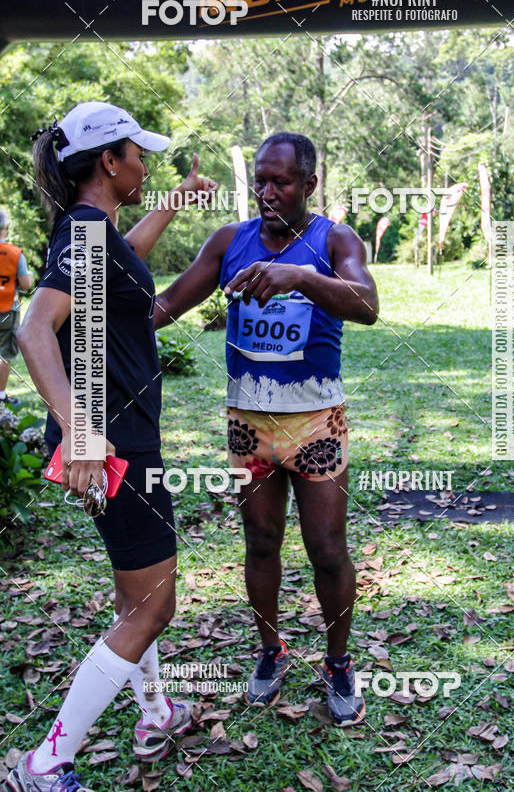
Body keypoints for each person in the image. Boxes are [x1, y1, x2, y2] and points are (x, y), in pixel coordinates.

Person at [8, 101, 217, 792]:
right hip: (113, 445)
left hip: (116, 441)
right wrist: (80, 430)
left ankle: (155, 713)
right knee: (153, 606)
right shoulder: (86, 234)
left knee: (137, 594)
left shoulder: (93, 231)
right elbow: (33, 329)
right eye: (138, 155)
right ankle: (46, 764)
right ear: (109, 160)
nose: (144, 167)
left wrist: (175, 202)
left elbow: (127, 265)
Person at [154, 131, 379, 727]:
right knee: (260, 542)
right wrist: (91, 319)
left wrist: (298, 277)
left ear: (309, 184)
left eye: (281, 181)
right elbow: (167, 303)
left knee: (327, 549)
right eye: (261, 181)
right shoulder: (230, 241)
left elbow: (367, 303)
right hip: (248, 425)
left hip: (316, 422)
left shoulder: (335, 239)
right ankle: (271, 651)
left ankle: (338, 663)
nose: (268, 192)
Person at [0, 210, 33, 403]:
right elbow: (27, 284)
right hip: (8, 309)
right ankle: (1, 394)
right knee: (5, 352)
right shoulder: (14, 253)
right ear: (7, 227)